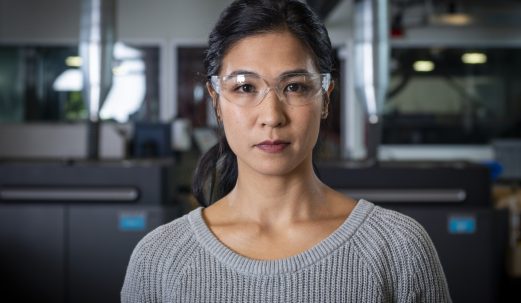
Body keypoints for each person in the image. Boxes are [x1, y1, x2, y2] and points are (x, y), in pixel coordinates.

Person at [121, 0, 452, 302]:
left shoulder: (398, 249)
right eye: (245, 87)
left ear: (325, 98)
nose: (271, 117)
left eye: (294, 87)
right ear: (216, 101)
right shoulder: (159, 258)